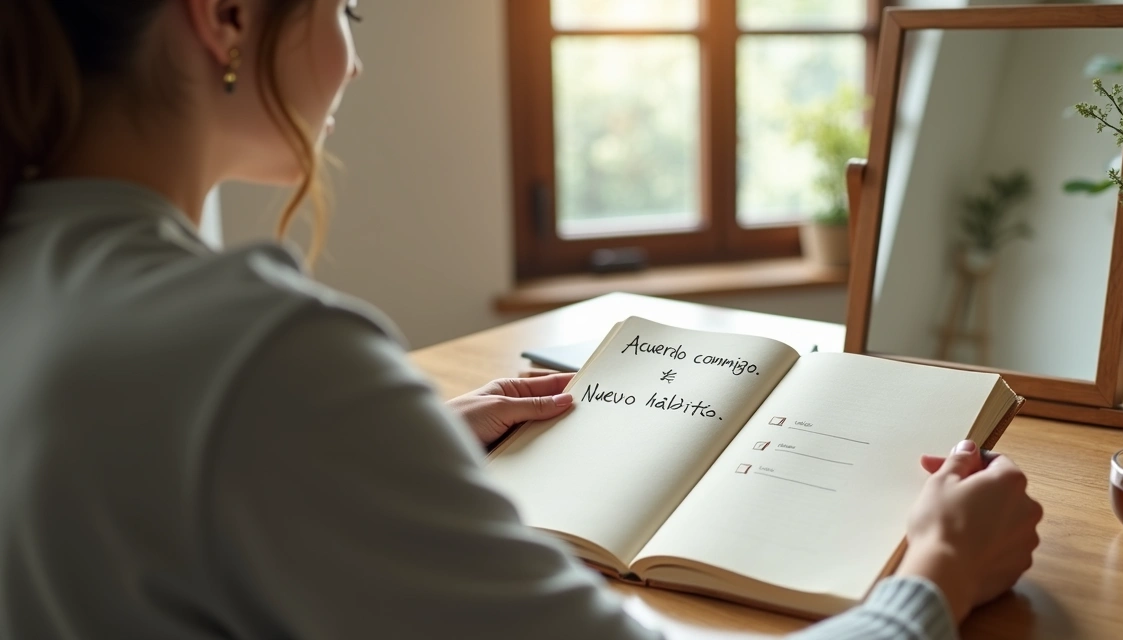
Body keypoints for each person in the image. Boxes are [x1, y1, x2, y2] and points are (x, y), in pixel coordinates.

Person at [0, 1, 1042, 638]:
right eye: (349, 8)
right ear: (224, 14)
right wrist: (933, 578)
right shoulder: (263, 355)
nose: (354, 59)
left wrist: (391, 454)